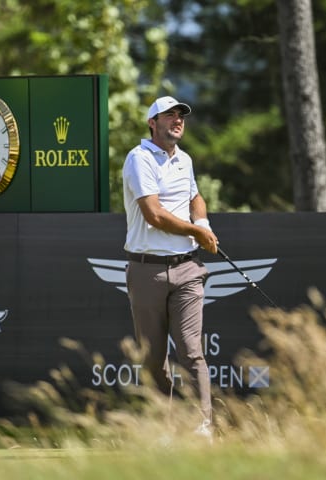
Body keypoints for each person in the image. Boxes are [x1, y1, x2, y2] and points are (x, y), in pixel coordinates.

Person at [122, 95, 219, 438]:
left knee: (192, 351)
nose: (177, 120)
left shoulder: (185, 160)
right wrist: (196, 231)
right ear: (153, 122)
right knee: (153, 358)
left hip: (188, 269)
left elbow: (194, 195)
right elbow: (155, 214)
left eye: (181, 115)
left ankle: (202, 427)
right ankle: (165, 427)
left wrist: (202, 222)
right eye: (169, 115)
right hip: (147, 269)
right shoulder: (139, 159)